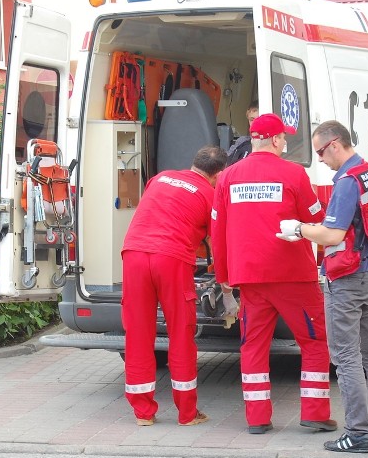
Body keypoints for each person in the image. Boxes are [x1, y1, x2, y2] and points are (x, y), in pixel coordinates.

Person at [278, 120, 368, 453]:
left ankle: (358, 433)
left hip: (348, 280)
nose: (320, 159)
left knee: (345, 357)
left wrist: (300, 229)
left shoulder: (347, 182)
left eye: (320, 151)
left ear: (334, 144)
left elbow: (332, 236)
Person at [212, 113, 335, 435]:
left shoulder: (227, 177)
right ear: (277, 140)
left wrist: (224, 275)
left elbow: (218, 229)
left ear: (254, 140)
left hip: (250, 278)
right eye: (284, 138)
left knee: (253, 345)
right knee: (313, 341)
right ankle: (314, 412)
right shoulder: (294, 174)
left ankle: (257, 419)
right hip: (293, 275)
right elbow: (317, 218)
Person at [121, 145, 228, 427]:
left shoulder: (160, 178)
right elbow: (217, 244)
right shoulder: (211, 194)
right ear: (218, 175)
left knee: (138, 333)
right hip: (171, 258)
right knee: (181, 333)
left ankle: (143, 414)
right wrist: (227, 284)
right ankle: (187, 414)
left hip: (133, 254)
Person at [225, 100, 259, 166]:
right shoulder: (242, 141)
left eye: (259, 119)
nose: (255, 123)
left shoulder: (270, 144)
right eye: (252, 120)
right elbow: (225, 162)